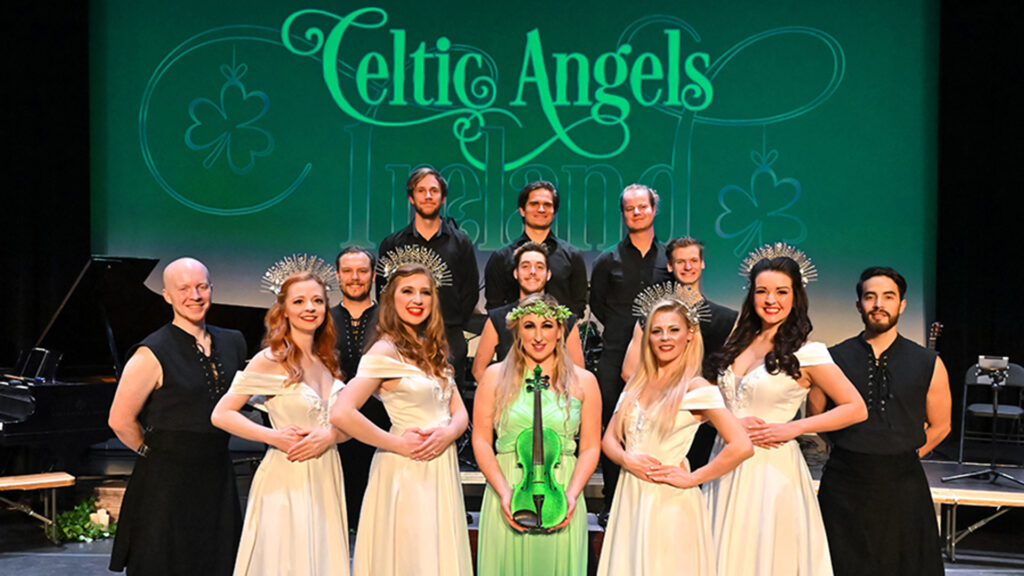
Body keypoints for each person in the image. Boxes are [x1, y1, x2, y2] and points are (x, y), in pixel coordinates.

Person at [704, 250, 867, 576]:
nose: (770, 299)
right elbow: (709, 402)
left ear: (796, 297)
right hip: (723, 460)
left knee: (764, 554)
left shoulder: (808, 353)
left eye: (781, 291)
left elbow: (856, 408)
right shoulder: (738, 341)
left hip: (769, 470)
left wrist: (792, 429)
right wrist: (726, 421)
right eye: (762, 291)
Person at [332, 262, 473, 576]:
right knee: (411, 553)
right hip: (406, 470)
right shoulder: (383, 352)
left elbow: (460, 411)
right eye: (407, 291)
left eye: (425, 292)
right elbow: (342, 411)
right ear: (391, 300)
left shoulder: (432, 348)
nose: (418, 299)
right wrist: (396, 444)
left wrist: (448, 433)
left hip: (440, 465)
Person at [211, 263, 351, 576]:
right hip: (289, 476)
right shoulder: (271, 359)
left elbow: (346, 425)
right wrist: (274, 437)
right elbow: (221, 414)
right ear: (284, 310)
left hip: (327, 473)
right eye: (299, 301)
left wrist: (331, 436)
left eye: (317, 300)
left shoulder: (327, 359)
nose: (310, 308)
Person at [108, 257, 245, 576]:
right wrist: (150, 453)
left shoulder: (232, 341)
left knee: (216, 558)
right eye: (183, 288)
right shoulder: (151, 352)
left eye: (201, 287)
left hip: (216, 472)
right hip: (166, 480)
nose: (194, 296)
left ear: (212, 289)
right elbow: (119, 420)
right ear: (167, 295)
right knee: (166, 560)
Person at [597, 296, 752, 576]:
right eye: (656, 331)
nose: (664, 337)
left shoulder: (696, 387)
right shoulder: (637, 381)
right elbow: (608, 439)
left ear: (689, 335)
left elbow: (741, 445)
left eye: (673, 329)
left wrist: (694, 478)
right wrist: (626, 459)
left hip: (669, 503)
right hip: (630, 497)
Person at [812, 267, 950, 576]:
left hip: (903, 486)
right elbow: (817, 417)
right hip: (844, 485)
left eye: (888, 297)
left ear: (901, 305)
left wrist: (903, 455)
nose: (878, 304)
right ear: (858, 304)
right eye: (870, 297)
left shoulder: (928, 362)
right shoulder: (831, 358)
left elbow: (941, 425)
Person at [472, 293, 602, 576]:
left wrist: (571, 495)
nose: (538, 335)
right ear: (518, 331)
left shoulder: (585, 382)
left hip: (561, 490)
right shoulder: (494, 376)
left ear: (560, 331)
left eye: (547, 325)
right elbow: (481, 441)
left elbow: (591, 447)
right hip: (506, 487)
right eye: (529, 326)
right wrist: (505, 493)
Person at [589, 183, 673, 521]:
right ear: (623, 214)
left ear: (654, 210)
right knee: (614, 426)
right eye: (629, 208)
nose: (636, 213)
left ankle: (655, 498)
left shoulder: (670, 258)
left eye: (642, 207)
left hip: (662, 358)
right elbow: (599, 306)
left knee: (658, 426)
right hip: (614, 355)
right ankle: (612, 503)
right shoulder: (607, 260)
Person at [620, 237, 739, 471]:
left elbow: (732, 375)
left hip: (704, 419)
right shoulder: (650, 316)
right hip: (658, 419)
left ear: (702, 264)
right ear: (670, 266)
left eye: (693, 260)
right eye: (681, 261)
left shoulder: (726, 319)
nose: (688, 267)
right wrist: (664, 399)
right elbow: (628, 371)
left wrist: (702, 403)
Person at [377, 166, 479, 394]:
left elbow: (470, 290)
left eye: (434, 190)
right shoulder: (393, 244)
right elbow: (383, 293)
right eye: (421, 190)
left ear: (443, 198)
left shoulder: (461, 242)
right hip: (403, 339)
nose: (428, 196)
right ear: (411, 198)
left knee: (451, 403)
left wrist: (450, 323)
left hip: (448, 338)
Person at [329, 246, 389, 528]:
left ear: (374, 276)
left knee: (376, 512)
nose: (355, 277)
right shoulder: (321, 319)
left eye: (362, 271)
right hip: (333, 424)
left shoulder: (392, 320)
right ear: (338, 276)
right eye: (348, 271)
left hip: (383, 424)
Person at [472, 242, 584, 385]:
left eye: (539, 267)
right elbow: (479, 370)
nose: (532, 272)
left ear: (548, 274)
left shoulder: (565, 319)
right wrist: (502, 398)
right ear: (516, 273)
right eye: (525, 266)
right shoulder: (497, 319)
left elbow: (579, 374)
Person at [483, 181, 588, 316]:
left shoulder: (572, 256)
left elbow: (578, 304)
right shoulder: (501, 257)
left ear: (554, 211)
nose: (541, 209)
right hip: (514, 334)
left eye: (547, 205)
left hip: (561, 335)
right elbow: (494, 305)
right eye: (534, 204)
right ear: (522, 210)